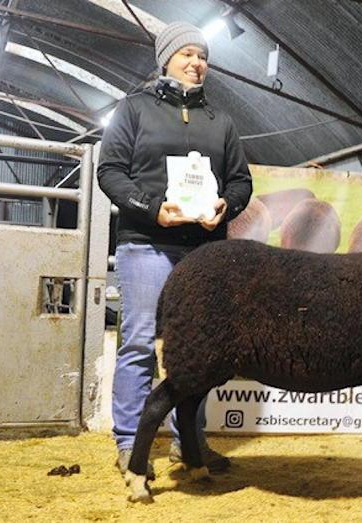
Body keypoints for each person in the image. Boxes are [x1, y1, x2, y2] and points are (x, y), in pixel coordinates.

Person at [97, 21, 253, 476]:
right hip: (147, 243)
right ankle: (130, 441)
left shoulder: (219, 121)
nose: (196, 62)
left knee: (200, 349)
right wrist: (151, 208)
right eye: (186, 54)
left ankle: (190, 443)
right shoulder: (134, 110)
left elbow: (241, 179)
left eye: (202, 56)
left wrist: (228, 205)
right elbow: (111, 171)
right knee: (141, 341)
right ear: (166, 59)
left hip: (203, 251)